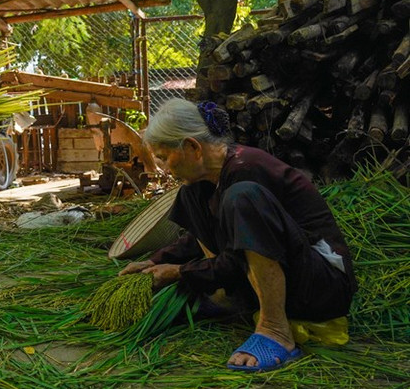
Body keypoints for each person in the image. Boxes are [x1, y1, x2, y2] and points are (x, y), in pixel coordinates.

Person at [119, 98, 357, 372]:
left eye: (163, 157)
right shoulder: (207, 179)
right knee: (188, 194)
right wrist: (154, 262)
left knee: (242, 197)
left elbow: (241, 255)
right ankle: (227, 299)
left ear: (192, 147)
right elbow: (200, 237)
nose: (162, 167)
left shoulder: (247, 170)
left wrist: (179, 272)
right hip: (281, 274)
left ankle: (275, 329)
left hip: (320, 285)